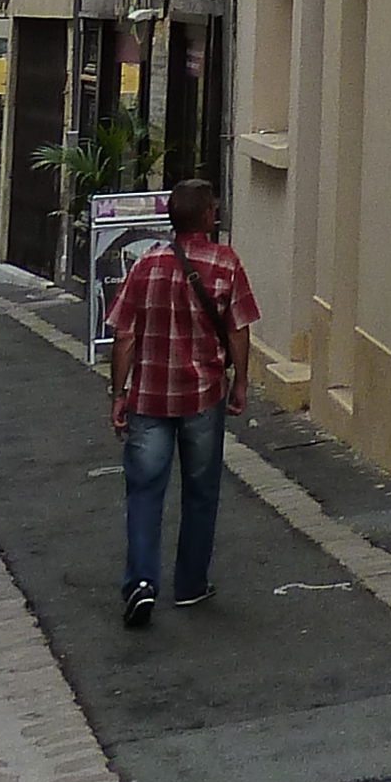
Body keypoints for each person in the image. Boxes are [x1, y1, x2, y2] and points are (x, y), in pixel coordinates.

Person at [104, 178, 259, 627]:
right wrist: (242, 382)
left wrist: (119, 393)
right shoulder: (226, 263)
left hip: (149, 395)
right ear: (208, 216)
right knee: (201, 489)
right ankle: (190, 583)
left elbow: (125, 334)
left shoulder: (146, 265)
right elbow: (238, 329)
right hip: (202, 395)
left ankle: (140, 583)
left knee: (144, 490)